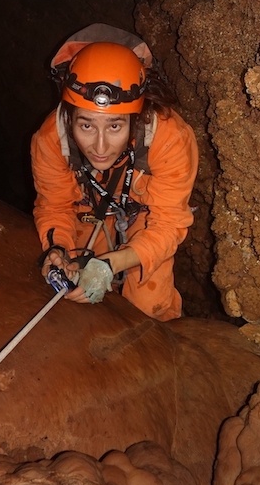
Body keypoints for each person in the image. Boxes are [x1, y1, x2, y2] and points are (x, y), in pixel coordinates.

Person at [31, 24, 199, 321]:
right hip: (87, 211)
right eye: (86, 125)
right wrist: (58, 249)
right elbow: (55, 205)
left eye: (115, 126)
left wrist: (112, 264)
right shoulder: (50, 140)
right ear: (69, 117)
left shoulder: (169, 137)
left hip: (145, 218)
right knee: (74, 293)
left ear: (136, 118)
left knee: (149, 308)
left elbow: (169, 223)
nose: (99, 146)